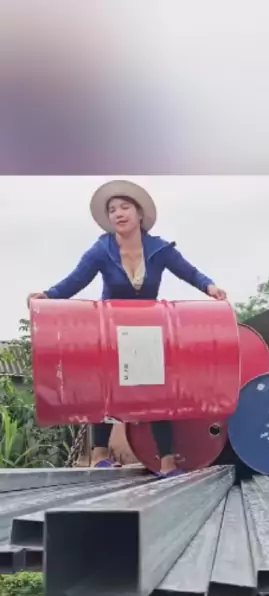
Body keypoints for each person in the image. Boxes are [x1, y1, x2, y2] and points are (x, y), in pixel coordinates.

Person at [27, 179, 227, 478]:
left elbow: (189, 272)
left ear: (139, 214)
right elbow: (75, 280)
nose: (118, 214)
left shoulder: (159, 249)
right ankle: (99, 455)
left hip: (148, 330)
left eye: (125, 207)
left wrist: (210, 287)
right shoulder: (101, 249)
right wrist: (48, 295)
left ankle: (167, 460)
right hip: (109, 332)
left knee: (157, 391)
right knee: (105, 388)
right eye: (112, 210)